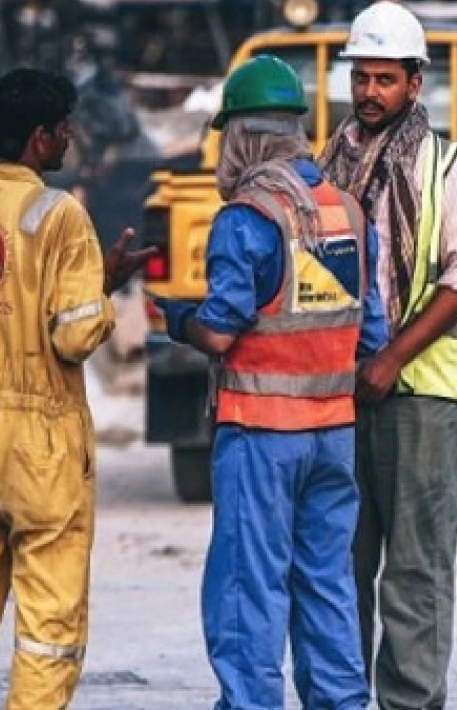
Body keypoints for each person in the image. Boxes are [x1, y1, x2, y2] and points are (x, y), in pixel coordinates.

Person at [0, 68, 154, 710]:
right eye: (64, 127)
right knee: (48, 631)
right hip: (40, 449)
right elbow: (72, 338)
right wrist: (105, 286)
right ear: (41, 138)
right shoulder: (59, 216)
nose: (70, 138)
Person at [150, 55, 386, 710]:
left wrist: (179, 322)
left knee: (247, 589)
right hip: (333, 436)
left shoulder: (247, 218)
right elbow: (373, 335)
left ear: (244, 137)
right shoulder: (346, 213)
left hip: (260, 437)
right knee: (327, 584)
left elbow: (221, 332)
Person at [319, 0, 457, 710]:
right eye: (362, 76)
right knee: (341, 568)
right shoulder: (326, 168)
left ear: (415, 84)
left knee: (415, 573)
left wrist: (388, 360)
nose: (369, 92)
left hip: (422, 396)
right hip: (342, 394)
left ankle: (410, 703)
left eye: (385, 79)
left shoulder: (444, 165)